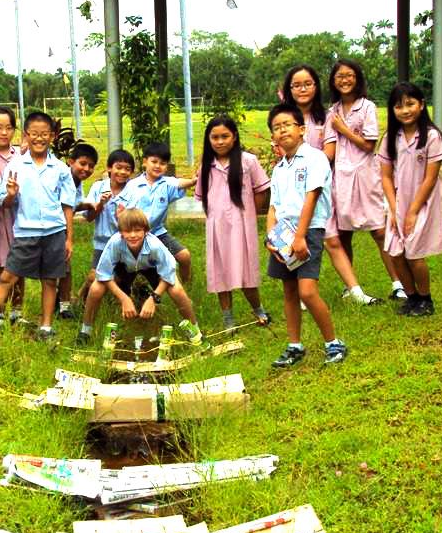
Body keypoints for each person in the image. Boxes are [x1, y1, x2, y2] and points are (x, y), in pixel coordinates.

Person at [0, 111, 76, 341]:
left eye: (44, 134)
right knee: (7, 277)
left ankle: (46, 327)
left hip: (54, 232)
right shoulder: (16, 165)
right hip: (26, 232)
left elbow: (67, 205)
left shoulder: (60, 169)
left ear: (52, 136)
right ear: (26, 135)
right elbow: (4, 202)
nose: (39, 139)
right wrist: (11, 194)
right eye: (34, 134)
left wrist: (69, 238)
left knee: (50, 280)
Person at [282, 64, 381, 306]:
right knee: (296, 239)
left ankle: (355, 291)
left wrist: (306, 167)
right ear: (289, 89)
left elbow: (329, 152)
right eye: (297, 85)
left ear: (316, 87)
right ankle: (302, 294)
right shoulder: (284, 117)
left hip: (318, 188)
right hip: (291, 190)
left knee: (333, 239)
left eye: (308, 84)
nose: (302, 89)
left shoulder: (326, 117)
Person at [265, 103, 347, 367]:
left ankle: (333, 342)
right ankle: (294, 345)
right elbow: (273, 207)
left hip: (308, 231)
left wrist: (300, 238)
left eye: (287, 124)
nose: (282, 130)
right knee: (289, 291)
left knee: (307, 292)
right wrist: (271, 238)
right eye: (276, 128)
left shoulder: (315, 158)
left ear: (301, 129)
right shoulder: (279, 168)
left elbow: (311, 198)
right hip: (283, 234)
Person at [324, 59, 404, 300]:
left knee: (379, 231)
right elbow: (331, 147)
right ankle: (351, 286)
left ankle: (398, 283)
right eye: (339, 77)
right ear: (333, 81)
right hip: (341, 178)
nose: (345, 80)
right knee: (343, 232)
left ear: (357, 78)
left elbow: (369, 145)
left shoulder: (367, 107)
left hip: (366, 176)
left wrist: (344, 129)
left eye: (349, 75)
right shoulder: (332, 111)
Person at [76, 208, 203, 344]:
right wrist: (124, 298)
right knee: (96, 287)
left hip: (151, 267)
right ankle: (86, 331)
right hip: (124, 268)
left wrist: (153, 299)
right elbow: (104, 274)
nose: (133, 235)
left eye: (137, 230)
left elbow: (168, 272)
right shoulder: (115, 243)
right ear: (120, 232)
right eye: (127, 231)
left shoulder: (154, 244)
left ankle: (195, 332)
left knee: (176, 289)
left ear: (146, 231)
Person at [194, 115, 272, 330]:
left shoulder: (248, 161)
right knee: (221, 272)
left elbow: (260, 190)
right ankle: (228, 318)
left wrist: (251, 215)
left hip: (243, 226)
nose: (220, 142)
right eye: (215, 137)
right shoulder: (206, 167)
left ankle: (258, 310)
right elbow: (202, 197)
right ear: (209, 139)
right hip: (217, 228)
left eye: (225, 136)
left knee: (246, 270)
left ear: (234, 136)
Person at [379, 82, 442, 317]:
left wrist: (413, 211)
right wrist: (394, 207)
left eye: (410, 104)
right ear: (392, 110)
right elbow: (385, 176)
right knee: (395, 252)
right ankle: (412, 297)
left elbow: (430, 178)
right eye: (398, 106)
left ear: (421, 105)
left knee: (414, 253)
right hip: (397, 202)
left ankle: (426, 299)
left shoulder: (431, 136)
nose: (405, 110)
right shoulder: (391, 137)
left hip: (421, 202)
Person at [120, 142, 196, 283]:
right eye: (154, 161)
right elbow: (122, 212)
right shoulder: (132, 185)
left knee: (184, 256)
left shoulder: (166, 183)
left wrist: (193, 181)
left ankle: (187, 285)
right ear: (144, 162)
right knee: (131, 271)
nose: (157, 166)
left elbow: (180, 183)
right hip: (135, 234)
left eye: (162, 163)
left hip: (158, 233)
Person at [78, 148, 135, 303]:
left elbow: (133, 223)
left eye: (127, 169)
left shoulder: (133, 191)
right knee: (93, 277)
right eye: (119, 167)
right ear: (109, 168)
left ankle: (123, 299)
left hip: (125, 244)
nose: (122, 172)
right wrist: (100, 204)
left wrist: (122, 217)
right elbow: (89, 217)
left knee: (118, 280)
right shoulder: (98, 187)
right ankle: (80, 301)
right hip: (102, 243)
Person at [0, 105, 24, 322]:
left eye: (8, 127)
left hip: (19, 217)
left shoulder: (20, 155)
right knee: (3, 266)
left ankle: (17, 311)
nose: (3, 132)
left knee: (20, 264)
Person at [56, 141, 98, 319]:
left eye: (91, 166)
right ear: (70, 161)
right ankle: (58, 305)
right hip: (54, 228)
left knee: (65, 268)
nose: (86, 169)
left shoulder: (77, 181)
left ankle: (64, 306)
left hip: (63, 227)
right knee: (58, 269)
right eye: (83, 163)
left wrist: (88, 204)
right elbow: (66, 207)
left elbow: (74, 205)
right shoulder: (64, 178)